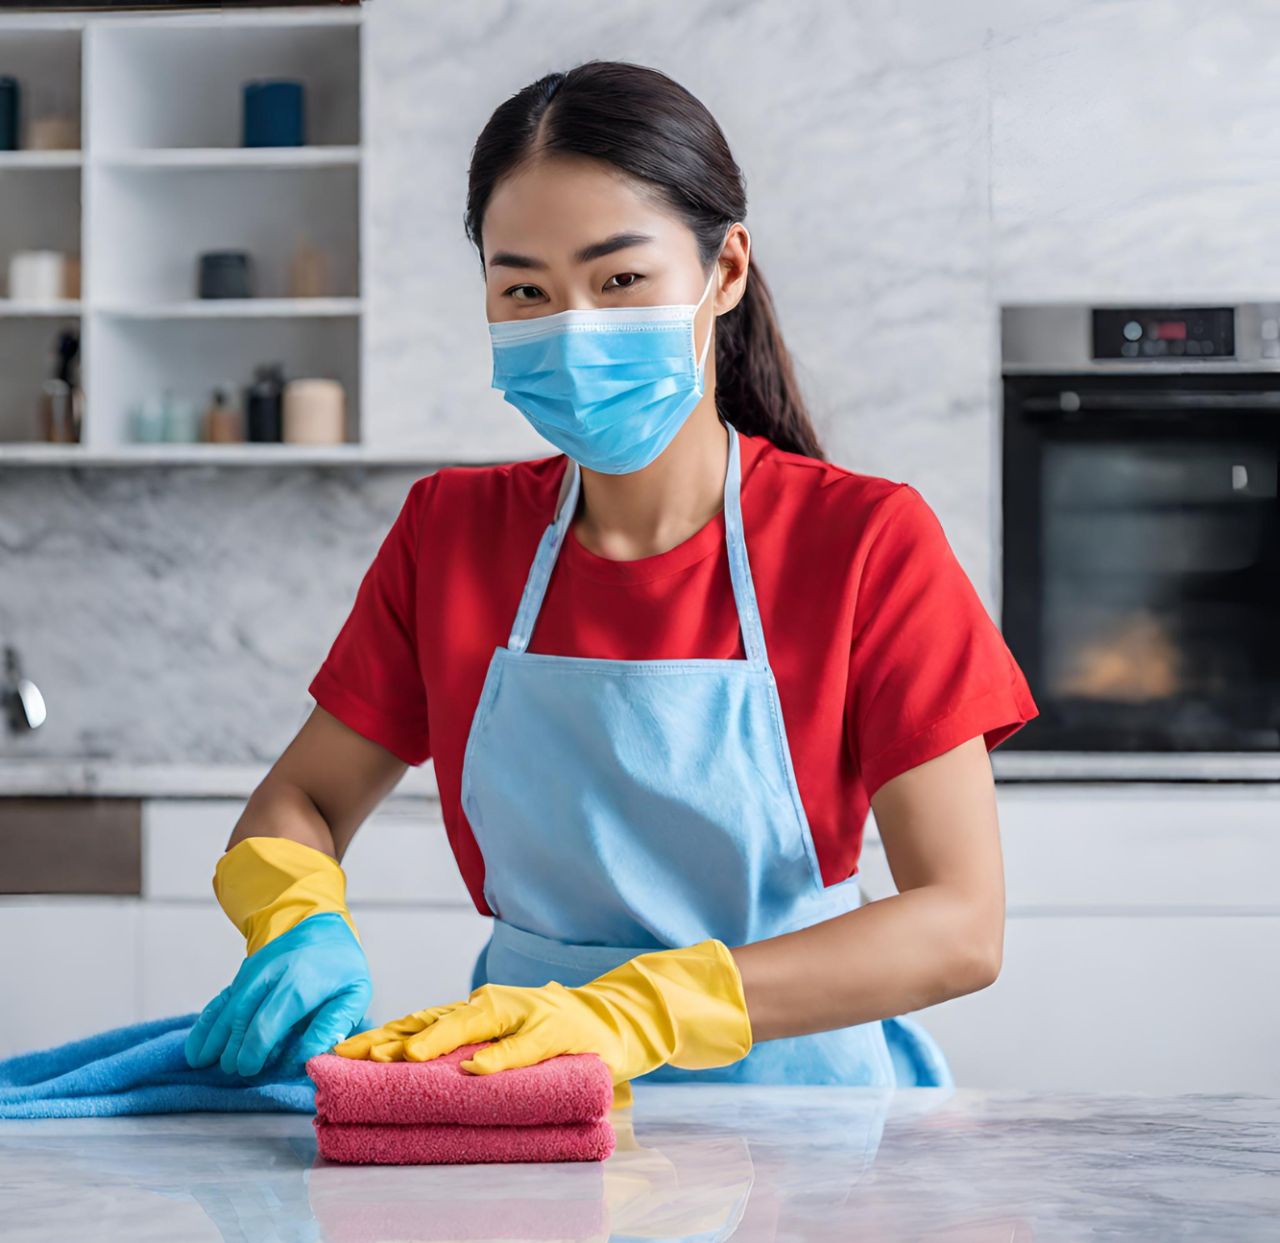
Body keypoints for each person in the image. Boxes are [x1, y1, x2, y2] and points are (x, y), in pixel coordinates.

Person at [185, 61, 1038, 1109]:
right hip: (520, 1103)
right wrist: (296, 918)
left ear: (724, 271)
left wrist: (635, 1008)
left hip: (801, 1118)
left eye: (621, 279)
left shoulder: (863, 543)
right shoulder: (449, 535)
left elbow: (959, 922)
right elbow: (302, 796)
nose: (573, 326)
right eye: (526, 290)